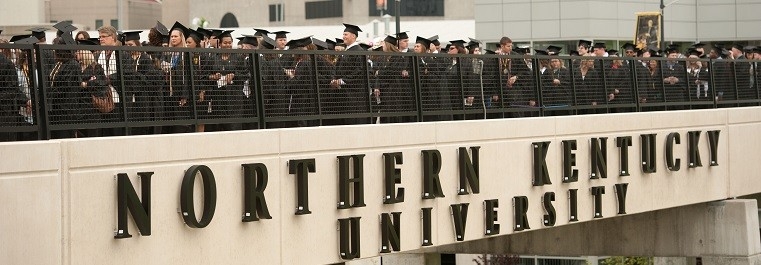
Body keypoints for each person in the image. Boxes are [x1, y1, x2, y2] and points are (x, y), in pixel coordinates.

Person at [326, 23, 369, 125]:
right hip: (344, 93)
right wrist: (334, 79)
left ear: (353, 36)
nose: (343, 37)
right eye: (343, 34)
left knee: (353, 120)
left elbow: (359, 70)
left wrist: (342, 81)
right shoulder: (346, 51)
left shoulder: (359, 51)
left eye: (346, 34)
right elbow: (336, 68)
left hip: (354, 94)